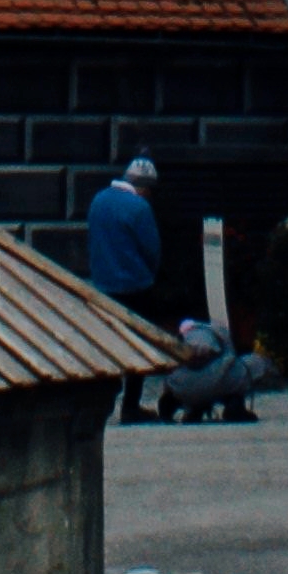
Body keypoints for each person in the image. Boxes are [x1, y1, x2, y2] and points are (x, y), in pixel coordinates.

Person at [83, 152, 164, 416]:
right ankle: (131, 406)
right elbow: (152, 250)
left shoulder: (98, 200)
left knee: (108, 344)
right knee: (139, 348)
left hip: (103, 285)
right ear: (144, 187)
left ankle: (101, 400)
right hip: (135, 286)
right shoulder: (140, 208)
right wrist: (151, 276)